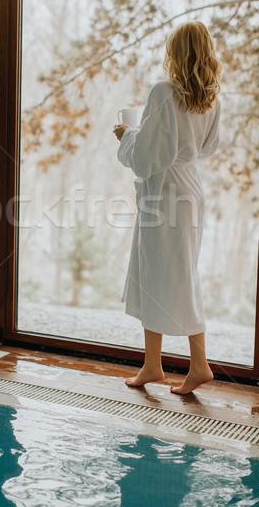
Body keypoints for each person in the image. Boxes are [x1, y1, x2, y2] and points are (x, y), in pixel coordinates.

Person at [113, 20, 222, 395]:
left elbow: (147, 159)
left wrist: (128, 136)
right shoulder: (210, 99)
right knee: (164, 274)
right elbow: (205, 149)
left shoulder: (163, 92)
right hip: (190, 190)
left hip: (166, 196)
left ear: (176, 54)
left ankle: (198, 365)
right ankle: (153, 365)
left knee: (170, 277)